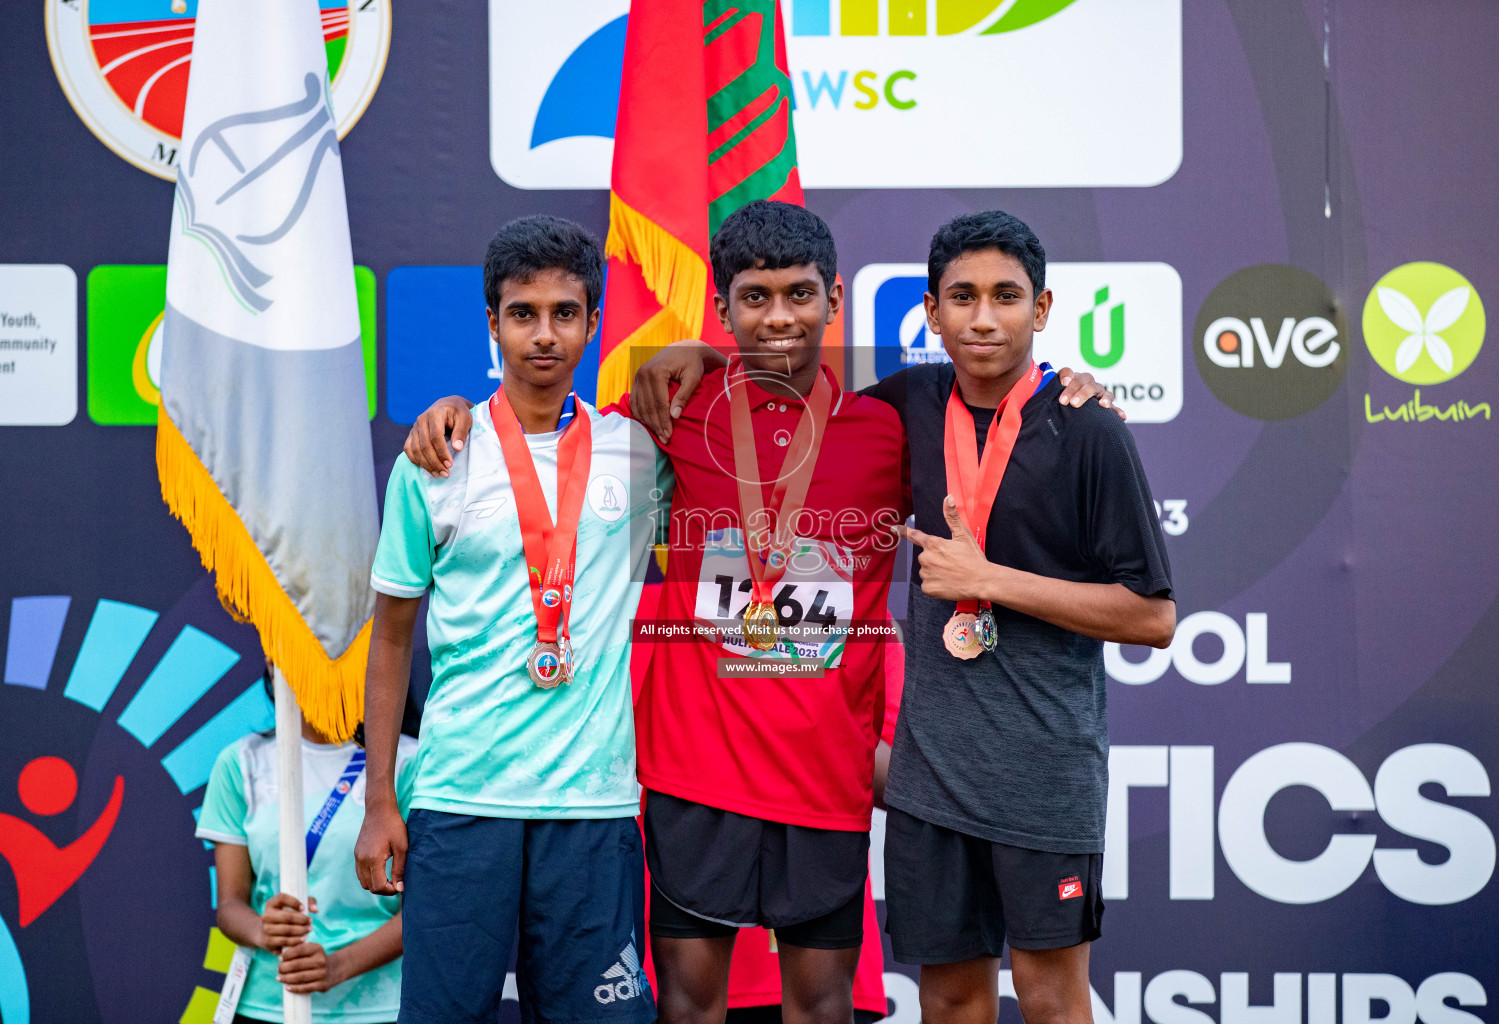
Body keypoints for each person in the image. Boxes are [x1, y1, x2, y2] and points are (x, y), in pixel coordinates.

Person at [401, 201, 1117, 1024]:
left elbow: (991, 413)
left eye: (800, 295)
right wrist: (450, 407)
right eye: (756, 297)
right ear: (722, 305)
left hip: (824, 779)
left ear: (836, 300)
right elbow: (546, 435)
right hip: (693, 775)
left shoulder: (891, 427)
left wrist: (1071, 385)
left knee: (819, 1009)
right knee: (689, 1007)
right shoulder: (672, 411)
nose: (779, 317)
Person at [355, 216, 669, 1024]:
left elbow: (745, 408)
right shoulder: (435, 459)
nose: (544, 334)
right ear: (492, 324)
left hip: (593, 810)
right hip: (462, 801)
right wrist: (380, 800)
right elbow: (390, 637)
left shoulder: (637, 455)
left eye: (565, 312)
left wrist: (691, 354)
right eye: (522, 313)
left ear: (594, 323)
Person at [878, 211, 1175, 1024]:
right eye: (962, 297)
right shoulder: (903, 403)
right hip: (932, 776)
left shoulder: (1089, 429)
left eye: (1006, 297)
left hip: (1044, 777)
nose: (983, 317)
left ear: (1041, 310)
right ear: (931, 312)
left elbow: (1153, 617)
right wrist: (693, 357)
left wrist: (989, 580)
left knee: (1050, 999)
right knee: (947, 999)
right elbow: (790, 406)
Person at [197, 665, 417, 1024]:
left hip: (379, 1008)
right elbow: (231, 904)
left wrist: (337, 967)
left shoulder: (411, 763)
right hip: (266, 1005)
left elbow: (426, 913)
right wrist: (261, 929)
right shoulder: (241, 763)